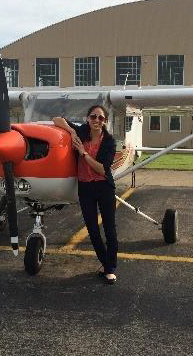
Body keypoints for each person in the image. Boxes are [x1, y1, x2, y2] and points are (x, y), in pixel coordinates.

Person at [52, 105, 118, 284]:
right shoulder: (81, 131)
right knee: (93, 230)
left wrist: (83, 153)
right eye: (93, 117)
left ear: (105, 122)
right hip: (85, 188)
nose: (96, 120)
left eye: (101, 118)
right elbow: (57, 119)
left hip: (104, 187)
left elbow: (103, 169)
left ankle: (110, 269)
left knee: (110, 230)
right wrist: (71, 132)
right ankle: (106, 264)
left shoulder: (110, 142)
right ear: (87, 118)